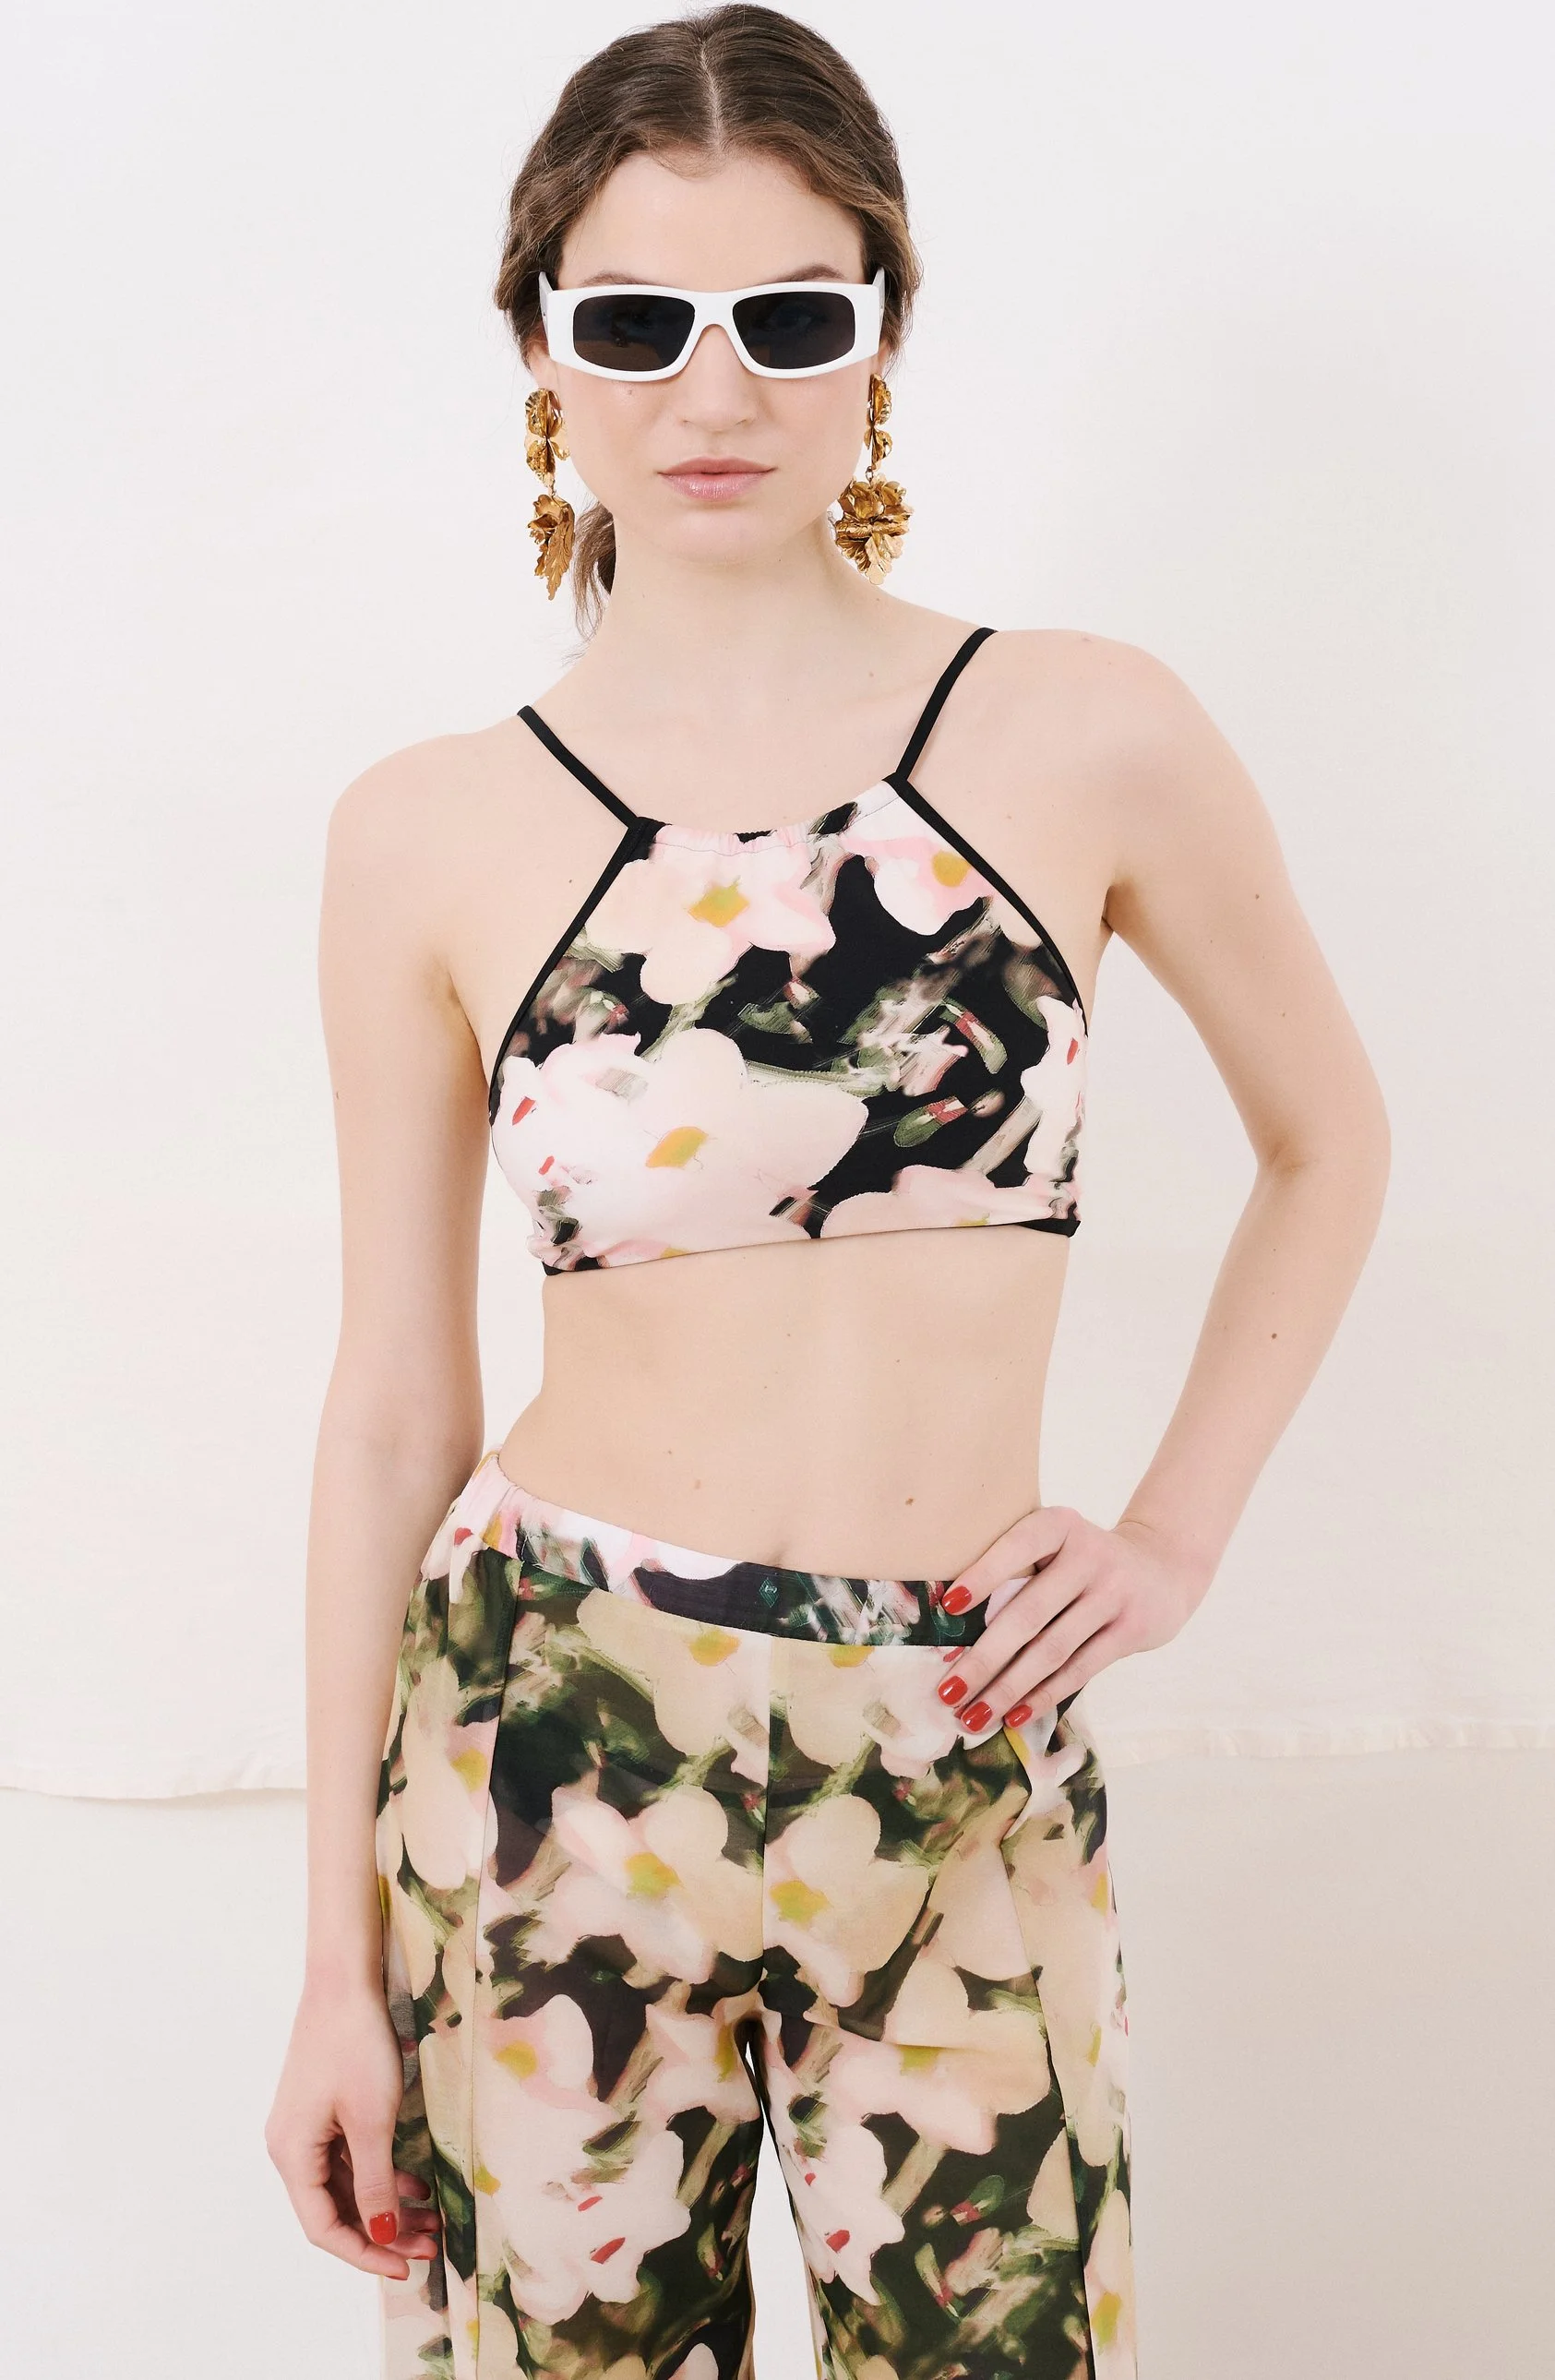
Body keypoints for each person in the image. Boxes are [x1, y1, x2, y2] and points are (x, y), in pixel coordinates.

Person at [263, 9, 1391, 2377]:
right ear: (539, 347)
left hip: (964, 1726)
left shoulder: (1085, 727)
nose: (715, 390)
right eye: (634, 322)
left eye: (789, 316)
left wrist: (1168, 1533)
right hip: (549, 1744)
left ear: (878, 331)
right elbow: (390, 1410)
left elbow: (1326, 1139)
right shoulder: (424, 828)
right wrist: (331, 1970)